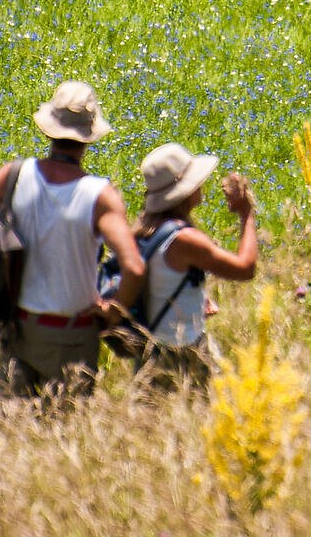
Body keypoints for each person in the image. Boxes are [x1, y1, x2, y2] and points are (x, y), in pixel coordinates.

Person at [0, 80, 142, 403]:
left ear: (49, 128)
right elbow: (133, 266)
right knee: (64, 441)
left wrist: (0, 287)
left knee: (14, 435)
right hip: (74, 334)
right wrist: (113, 313)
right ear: (89, 136)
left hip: (19, 327)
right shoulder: (100, 196)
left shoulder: (13, 175)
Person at [110, 141, 259, 396]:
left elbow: (162, 281)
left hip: (149, 355)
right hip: (184, 353)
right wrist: (246, 214)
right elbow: (245, 268)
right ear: (184, 191)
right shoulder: (185, 239)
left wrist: (195, 297)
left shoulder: (145, 231)